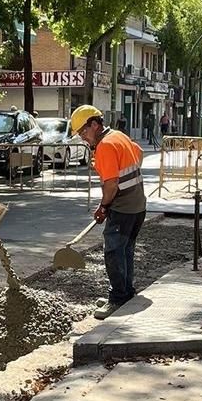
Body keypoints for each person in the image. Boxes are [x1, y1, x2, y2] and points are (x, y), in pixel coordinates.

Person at [71, 104, 147, 320]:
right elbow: (138, 154)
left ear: (95, 124)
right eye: (80, 135)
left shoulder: (105, 145)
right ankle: (127, 293)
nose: (83, 138)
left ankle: (117, 299)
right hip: (138, 205)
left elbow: (111, 185)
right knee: (126, 251)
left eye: (84, 132)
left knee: (113, 252)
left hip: (123, 208)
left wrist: (104, 206)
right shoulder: (119, 136)